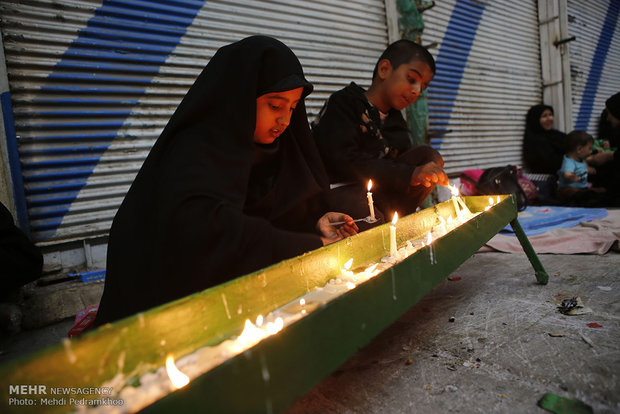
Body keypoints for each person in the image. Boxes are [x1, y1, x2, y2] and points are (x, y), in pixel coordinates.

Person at [94, 36, 359, 326]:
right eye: (275, 105)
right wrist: (307, 245)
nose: (285, 120)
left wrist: (314, 223)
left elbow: (272, 219)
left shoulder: (278, 153)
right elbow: (211, 232)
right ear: (241, 98)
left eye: (293, 108)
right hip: (164, 315)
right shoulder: (195, 151)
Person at [311, 39, 448, 218]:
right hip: (338, 191)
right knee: (371, 222)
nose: (416, 91)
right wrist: (408, 174)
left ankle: (396, 218)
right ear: (384, 70)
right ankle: (381, 223)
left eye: (422, 87)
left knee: (430, 159)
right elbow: (344, 161)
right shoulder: (345, 103)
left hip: (378, 194)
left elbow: (399, 168)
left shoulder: (396, 122)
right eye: (412, 79)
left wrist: (414, 174)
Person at [556, 130, 606, 204]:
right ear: (579, 149)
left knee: (600, 190)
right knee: (571, 192)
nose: (591, 152)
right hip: (568, 189)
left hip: (581, 188)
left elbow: (585, 167)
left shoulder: (582, 159)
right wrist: (570, 177)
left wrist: (589, 169)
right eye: (589, 148)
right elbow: (567, 174)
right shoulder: (569, 162)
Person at [522, 104, 567, 175]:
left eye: (550, 115)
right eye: (544, 116)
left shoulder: (558, 135)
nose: (549, 118)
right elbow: (549, 163)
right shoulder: (534, 141)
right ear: (536, 119)